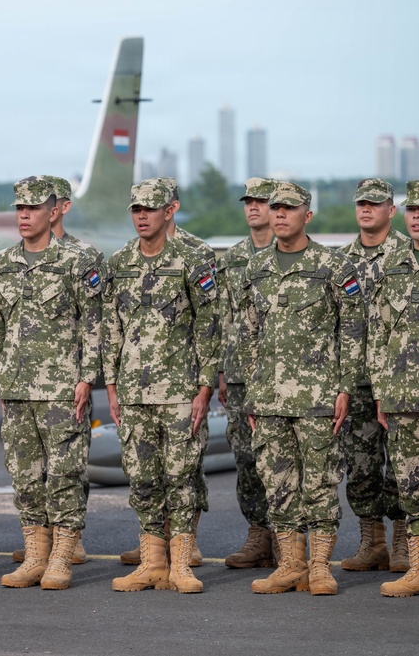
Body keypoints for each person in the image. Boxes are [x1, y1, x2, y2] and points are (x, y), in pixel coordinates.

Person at [243, 181, 364, 596]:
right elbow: (250, 335)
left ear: (306, 216)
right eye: (275, 208)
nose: (279, 215)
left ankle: (319, 567)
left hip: (318, 397)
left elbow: (351, 329)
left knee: (320, 483)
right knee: (277, 485)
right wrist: (254, 392)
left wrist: (346, 386)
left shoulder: (332, 266)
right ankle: (290, 565)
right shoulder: (256, 269)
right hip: (270, 398)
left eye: (289, 209)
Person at [0, 176, 103, 590]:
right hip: (17, 390)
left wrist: (87, 378)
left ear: (53, 212)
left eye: (33, 209)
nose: (24, 216)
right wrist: (1, 377)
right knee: (25, 476)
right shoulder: (2, 264)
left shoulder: (79, 259)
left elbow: (94, 325)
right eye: (19, 208)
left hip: (61, 390)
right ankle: (35, 554)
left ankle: (62, 556)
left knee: (65, 475)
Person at [103, 178, 219, 594]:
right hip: (134, 392)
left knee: (181, 477)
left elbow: (209, 327)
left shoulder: (191, 260)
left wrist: (205, 387)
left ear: (170, 210)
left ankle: (182, 565)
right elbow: (112, 328)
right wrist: (112, 386)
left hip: (179, 390)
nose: (142, 217)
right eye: (136, 210)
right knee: (143, 478)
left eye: (150, 210)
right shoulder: (119, 263)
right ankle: (152, 563)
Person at [337, 179, 411, 573]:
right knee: (361, 465)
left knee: (402, 464)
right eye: (361, 204)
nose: (366, 210)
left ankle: (402, 539)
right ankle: (373, 540)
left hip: (399, 380)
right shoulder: (343, 259)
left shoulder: (407, 254)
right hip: (358, 381)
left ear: (391, 210)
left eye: (375, 204)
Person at [219, 177, 279, 568]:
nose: (253, 207)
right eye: (249, 201)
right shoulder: (233, 257)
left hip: (283, 376)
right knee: (246, 459)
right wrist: (222, 372)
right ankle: (258, 533)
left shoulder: (290, 253)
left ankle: (286, 537)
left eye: (262, 201)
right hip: (240, 375)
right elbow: (224, 317)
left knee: (284, 460)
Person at [371, 180, 419, 597]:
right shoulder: (393, 261)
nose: (417, 216)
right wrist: (382, 391)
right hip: (404, 395)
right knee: (411, 483)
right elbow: (380, 331)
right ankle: (417, 570)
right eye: (412, 209)